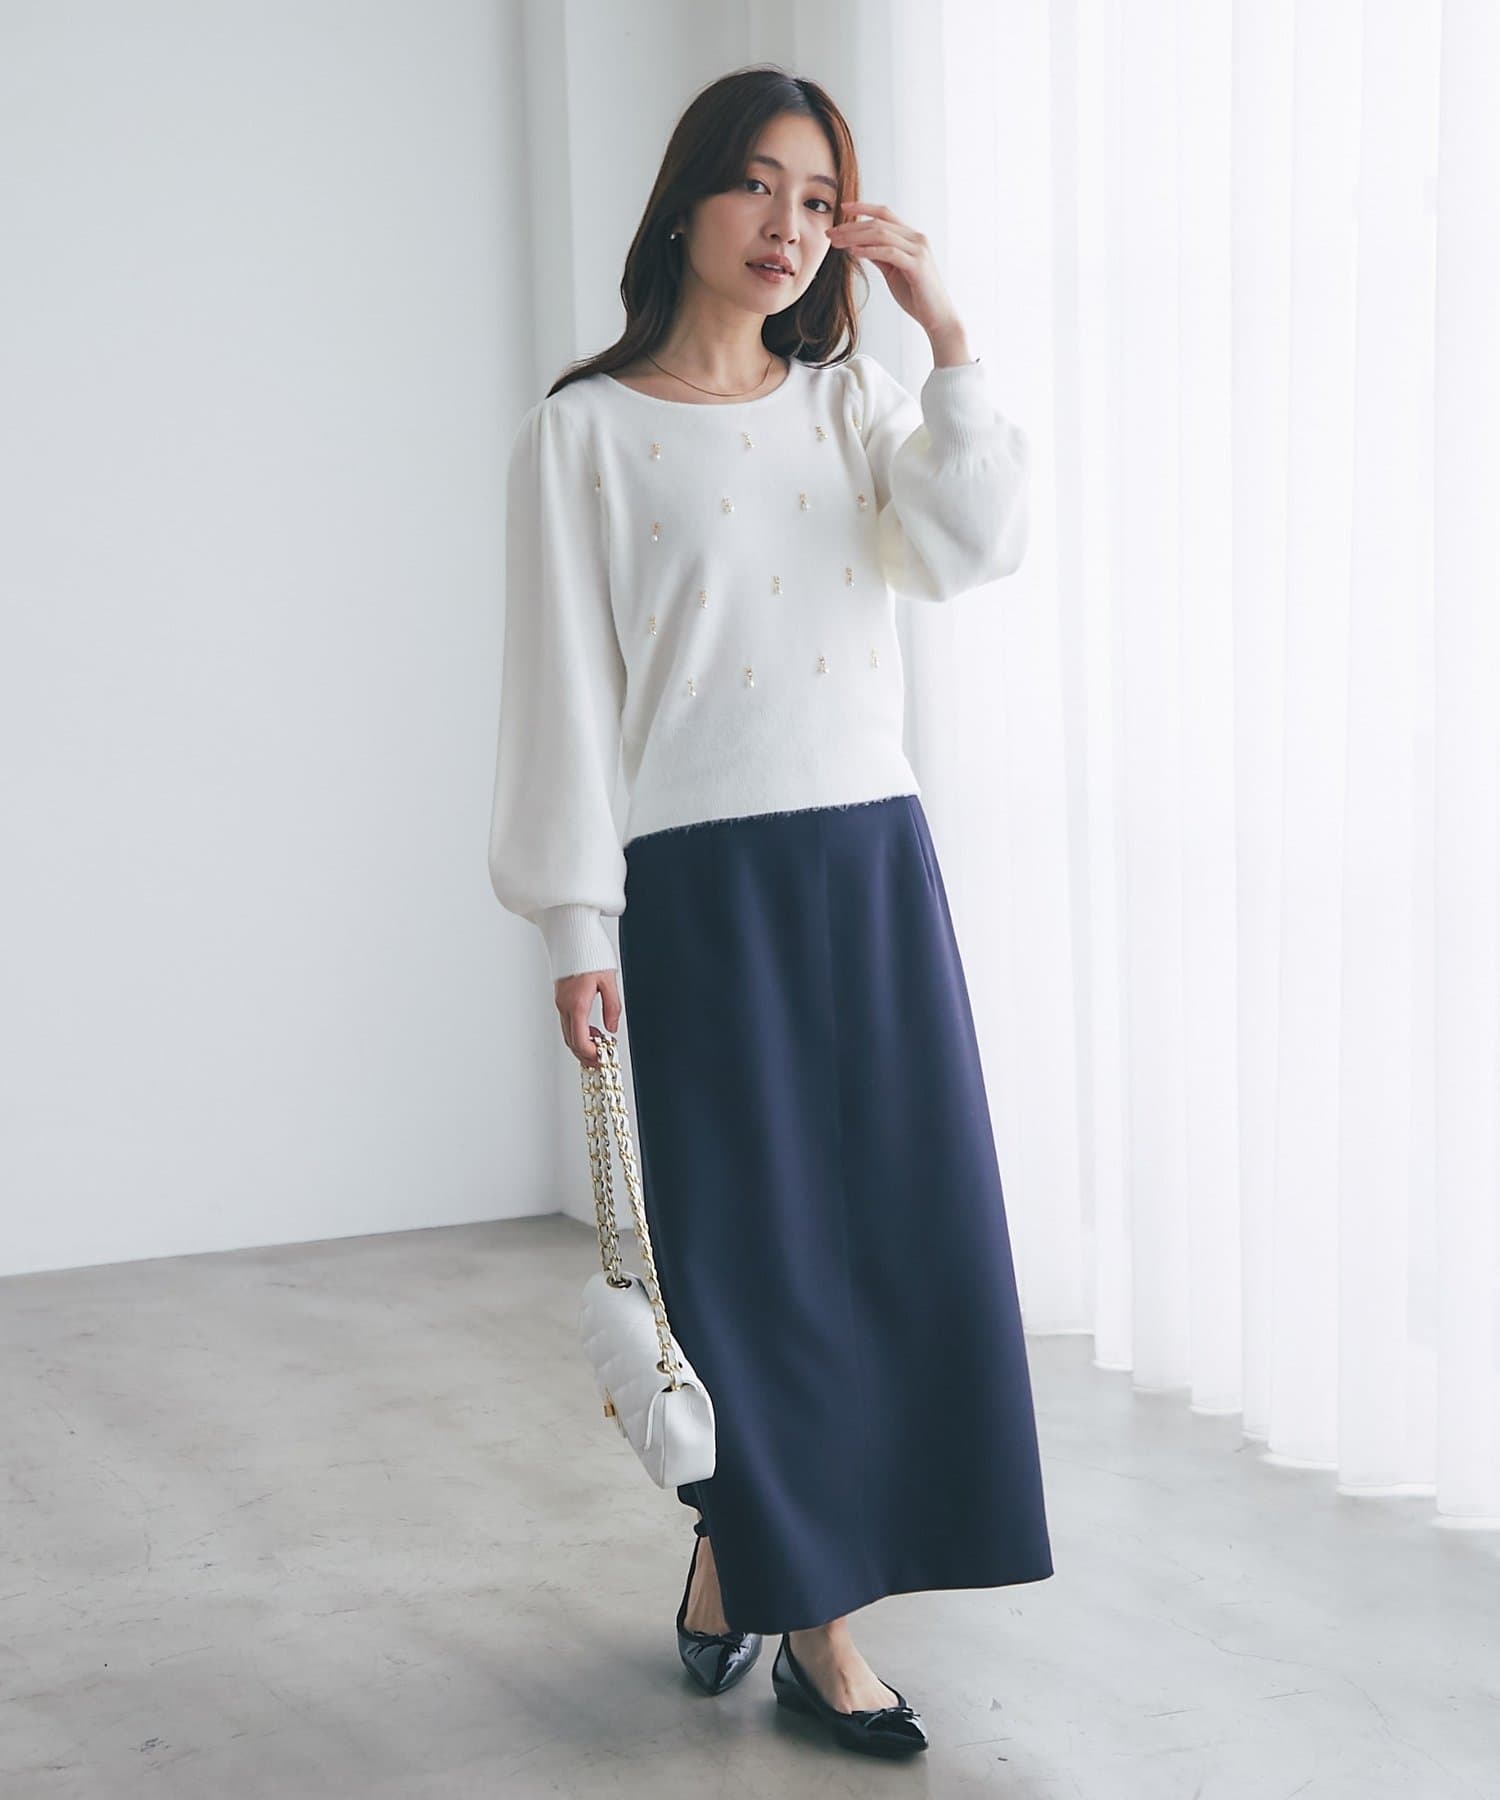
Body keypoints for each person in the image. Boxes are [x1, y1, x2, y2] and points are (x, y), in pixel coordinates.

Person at [487, 63, 1053, 1759]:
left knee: (899, 1243)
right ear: (685, 202)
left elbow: (969, 549)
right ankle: (820, 1633)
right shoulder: (584, 435)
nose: (788, 227)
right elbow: (561, 698)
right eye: (757, 185)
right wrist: (575, 926)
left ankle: (753, 1579)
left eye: (819, 200)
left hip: (870, 863)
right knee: (756, 1268)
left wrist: (948, 339)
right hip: (702, 888)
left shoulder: (853, 404)